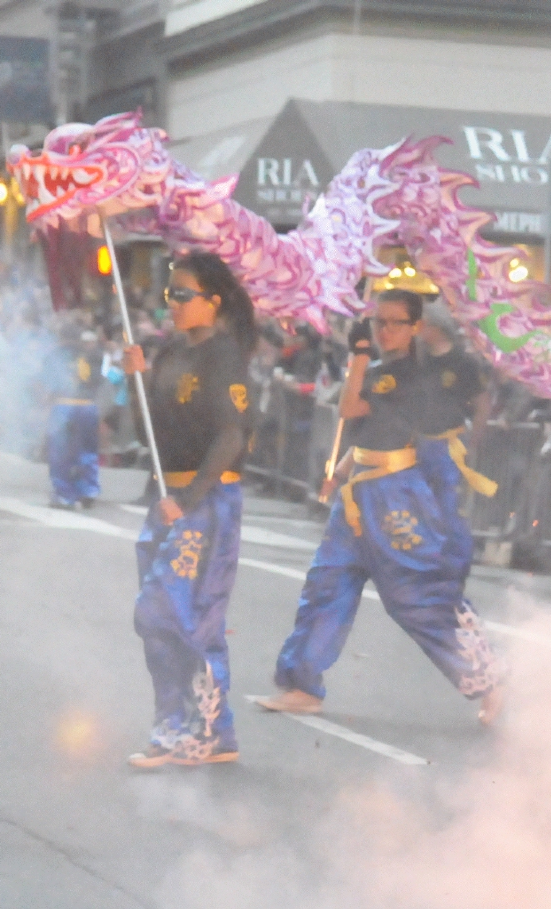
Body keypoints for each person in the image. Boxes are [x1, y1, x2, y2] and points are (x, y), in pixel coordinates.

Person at [255, 289, 505, 724]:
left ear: (415, 328)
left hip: (396, 497)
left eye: (394, 323)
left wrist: (356, 358)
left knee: (414, 596)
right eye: (378, 321)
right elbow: (370, 431)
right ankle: (302, 683)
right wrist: (341, 471)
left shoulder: (412, 375)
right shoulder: (377, 370)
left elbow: (351, 407)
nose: (384, 330)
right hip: (360, 492)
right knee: (326, 584)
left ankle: (487, 678)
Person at [120, 252, 254, 767]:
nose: (172, 304)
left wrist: (190, 500)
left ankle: (194, 732)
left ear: (212, 300)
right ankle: (198, 730)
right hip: (167, 498)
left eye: (183, 294)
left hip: (204, 500)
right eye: (169, 294)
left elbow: (231, 434)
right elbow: (149, 430)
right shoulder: (172, 352)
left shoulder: (224, 356)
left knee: (168, 609)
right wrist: (138, 379)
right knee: (175, 619)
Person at [414, 301, 496, 579]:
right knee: (417, 501)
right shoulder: (418, 357)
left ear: (437, 328)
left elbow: (483, 401)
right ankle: (422, 559)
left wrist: (475, 437)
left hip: (449, 443)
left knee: (447, 504)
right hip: (418, 441)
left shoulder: (464, 362)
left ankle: (455, 560)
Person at [46, 329, 103, 509]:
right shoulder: (93, 357)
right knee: (86, 450)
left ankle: (65, 494)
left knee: (60, 451)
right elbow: (98, 381)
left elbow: (47, 382)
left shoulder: (55, 356)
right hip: (87, 404)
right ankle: (88, 489)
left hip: (64, 405)